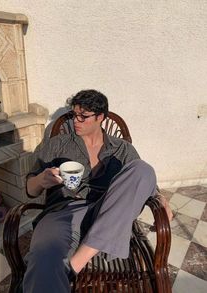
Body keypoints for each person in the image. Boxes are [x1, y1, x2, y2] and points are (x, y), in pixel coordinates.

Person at [23, 89, 173, 293]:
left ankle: (74, 264)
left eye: (83, 116)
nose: (76, 121)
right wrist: (41, 179)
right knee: (43, 257)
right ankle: (78, 258)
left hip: (108, 211)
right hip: (64, 211)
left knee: (143, 168)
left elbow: (141, 181)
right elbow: (30, 189)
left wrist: (160, 198)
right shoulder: (56, 144)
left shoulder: (122, 148)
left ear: (100, 117)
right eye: (74, 115)